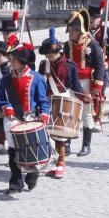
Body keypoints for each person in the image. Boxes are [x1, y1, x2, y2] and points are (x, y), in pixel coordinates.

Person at [0, 43, 51, 194]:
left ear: (21, 61)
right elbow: (0, 98)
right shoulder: (6, 80)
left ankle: (33, 173)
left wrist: (45, 114)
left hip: (30, 118)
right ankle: (15, 183)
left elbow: (43, 101)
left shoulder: (37, 78)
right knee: (13, 151)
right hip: (13, 119)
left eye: (13, 59)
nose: (10, 62)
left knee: (30, 149)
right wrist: (5, 106)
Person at [37, 28, 85, 179]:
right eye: (46, 56)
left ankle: (61, 164)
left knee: (60, 135)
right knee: (44, 133)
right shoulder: (44, 64)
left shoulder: (70, 65)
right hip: (46, 101)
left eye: (51, 55)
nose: (48, 58)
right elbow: (38, 84)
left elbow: (75, 85)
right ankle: (48, 159)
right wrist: (41, 80)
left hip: (62, 99)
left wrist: (84, 96)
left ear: (58, 52)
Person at [63, 9, 105, 156]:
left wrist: (97, 87)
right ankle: (67, 143)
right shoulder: (67, 45)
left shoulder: (92, 44)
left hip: (86, 81)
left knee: (87, 113)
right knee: (69, 112)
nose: (70, 34)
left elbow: (99, 65)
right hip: (70, 82)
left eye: (72, 31)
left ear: (79, 30)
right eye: (69, 31)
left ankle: (86, 145)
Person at [89, 0, 109, 89]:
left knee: (99, 96)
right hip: (87, 67)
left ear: (99, 18)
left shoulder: (107, 32)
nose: (92, 20)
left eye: (94, 18)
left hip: (101, 67)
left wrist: (108, 63)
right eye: (90, 17)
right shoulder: (84, 32)